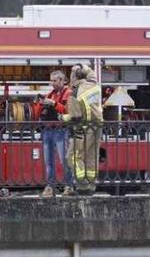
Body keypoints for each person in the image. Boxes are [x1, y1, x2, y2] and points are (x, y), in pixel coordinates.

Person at [63, 63, 103, 196]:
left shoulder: (74, 93)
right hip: (98, 125)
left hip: (83, 127)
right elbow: (92, 75)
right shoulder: (94, 85)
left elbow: (75, 116)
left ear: (73, 78)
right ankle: (91, 185)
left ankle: (82, 184)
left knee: (72, 156)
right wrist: (82, 67)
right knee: (92, 156)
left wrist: (63, 117)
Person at [39, 70, 74, 197]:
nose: (52, 83)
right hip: (48, 130)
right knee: (48, 161)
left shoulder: (69, 93)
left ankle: (69, 186)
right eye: (51, 81)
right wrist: (41, 103)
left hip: (60, 130)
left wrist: (53, 103)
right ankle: (50, 187)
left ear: (62, 81)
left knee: (64, 160)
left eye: (54, 81)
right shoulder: (51, 93)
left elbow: (68, 111)